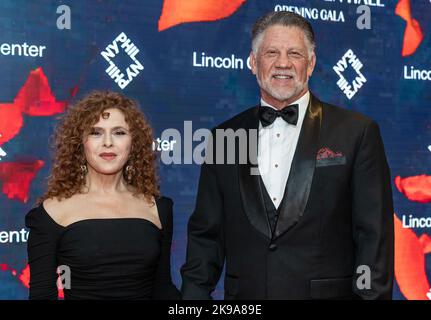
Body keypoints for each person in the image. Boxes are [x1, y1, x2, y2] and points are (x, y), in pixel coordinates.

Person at [181, 11, 394, 300]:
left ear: (311, 64)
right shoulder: (223, 138)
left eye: (294, 53)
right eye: (271, 53)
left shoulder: (357, 133)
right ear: (254, 63)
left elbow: (374, 241)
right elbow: (206, 240)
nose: (283, 63)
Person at [25, 91, 180, 300]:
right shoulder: (51, 213)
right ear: (81, 143)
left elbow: (163, 289)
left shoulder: (157, 208)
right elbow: (42, 295)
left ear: (133, 143)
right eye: (96, 132)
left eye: (119, 132)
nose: (108, 142)